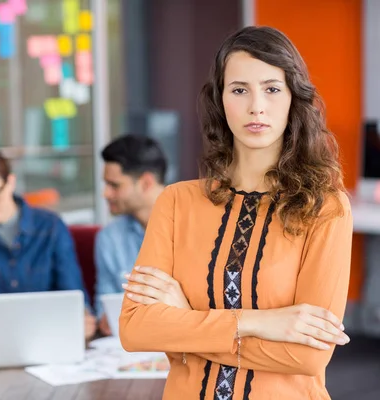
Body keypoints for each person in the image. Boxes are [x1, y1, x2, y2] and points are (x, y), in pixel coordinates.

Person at [119, 26, 353, 399]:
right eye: (239, 89)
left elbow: (308, 355)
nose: (256, 106)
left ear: (293, 98)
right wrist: (259, 322)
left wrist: (186, 324)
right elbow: (135, 330)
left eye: (272, 89)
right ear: (220, 100)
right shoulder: (175, 202)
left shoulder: (325, 207)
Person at [0, 147, 96, 339]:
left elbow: (72, 293)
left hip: (53, 334)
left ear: (11, 182)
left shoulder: (51, 227)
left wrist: (83, 318)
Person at [94, 134, 167, 335]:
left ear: (145, 183)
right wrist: (106, 320)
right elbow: (104, 308)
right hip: (129, 349)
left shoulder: (197, 225)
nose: (105, 194)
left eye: (114, 185)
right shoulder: (109, 238)